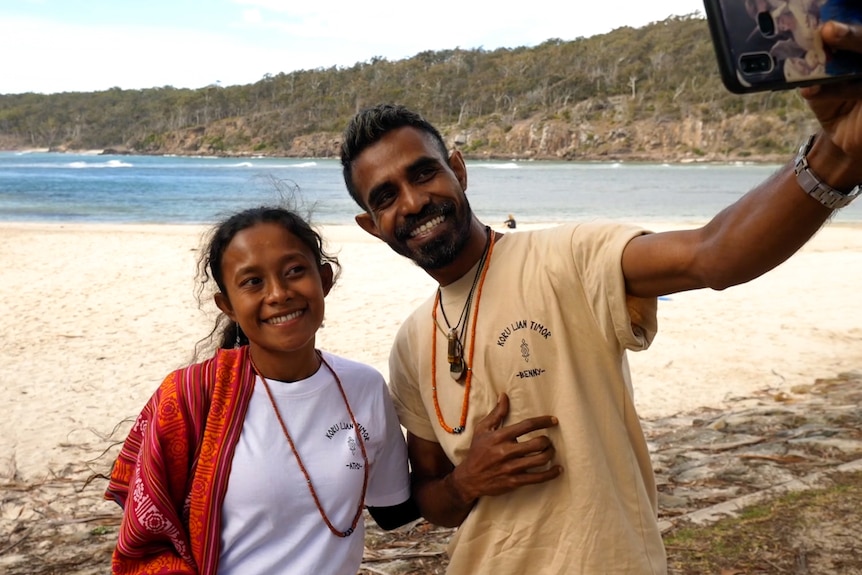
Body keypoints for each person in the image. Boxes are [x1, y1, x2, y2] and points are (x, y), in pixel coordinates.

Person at [338, 20, 862, 575]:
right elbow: (432, 501)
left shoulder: (568, 257)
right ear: (372, 226)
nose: (415, 201)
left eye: (425, 173)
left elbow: (714, 255)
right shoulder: (409, 343)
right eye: (387, 196)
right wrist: (467, 479)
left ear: (459, 171)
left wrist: (837, 155)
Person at [104, 206, 418, 574]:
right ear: (228, 306)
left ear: (325, 279)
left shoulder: (363, 388)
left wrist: (465, 473)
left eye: (294, 271)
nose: (279, 294)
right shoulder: (189, 397)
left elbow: (393, 509)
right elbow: (146, 538)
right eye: (252, 281)